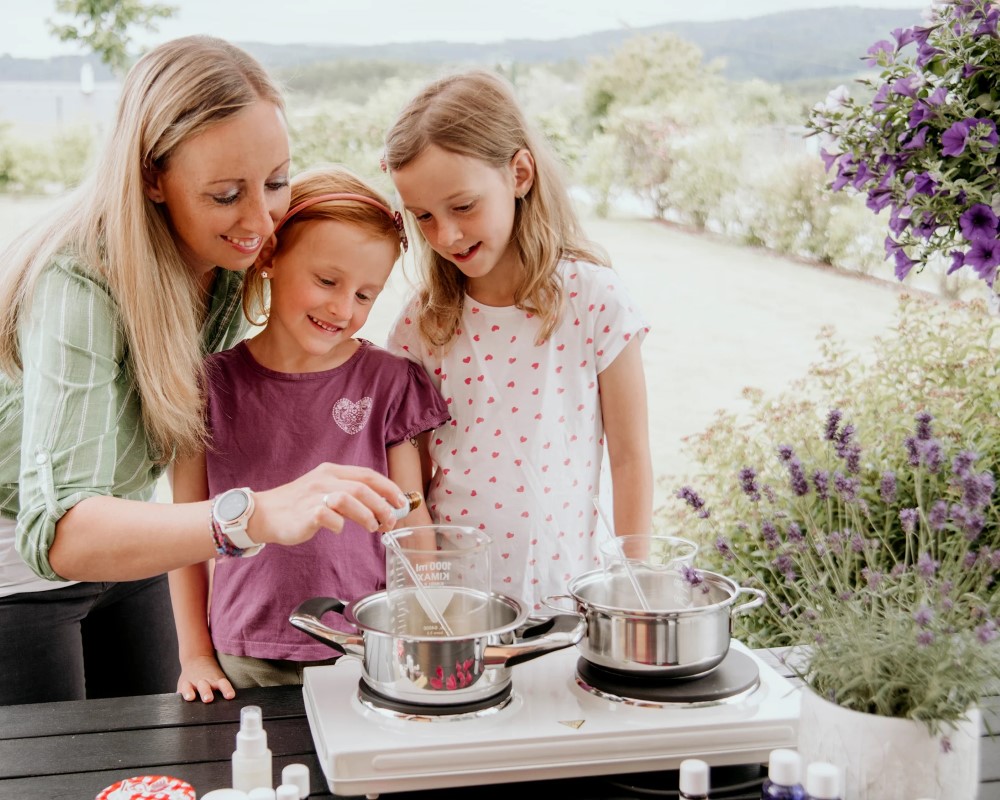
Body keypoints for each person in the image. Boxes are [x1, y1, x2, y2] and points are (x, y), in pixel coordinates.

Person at [0, 37, 408, 706]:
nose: (259, 221)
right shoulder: (78, 284)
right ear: (152, 179)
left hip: (130, 533)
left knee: (156, 761)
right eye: (224, 194)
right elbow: (59, 533)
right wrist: (254, 513)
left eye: (275, 181)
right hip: (20, 558)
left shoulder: (228, 258)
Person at [169, 165, 449, 701]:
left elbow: (412, 520)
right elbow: (184, 533)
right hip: (241, 654)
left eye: (366, 295)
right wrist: (195, 655)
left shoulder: (388, 383)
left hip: (368, 649)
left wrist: (429, 625)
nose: (343, 309)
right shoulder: (207, 386)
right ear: (270, 255)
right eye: (327, 281)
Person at [383, 70, 653, 610]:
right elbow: (407, 474)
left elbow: (629, 457)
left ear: (520, 173)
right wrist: (431, 583)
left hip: (565, 591)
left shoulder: (594, 298)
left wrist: (632, 583)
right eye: (424, 218)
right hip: (457, 601)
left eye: (462, 206)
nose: (446, 236)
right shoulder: (421, 325)